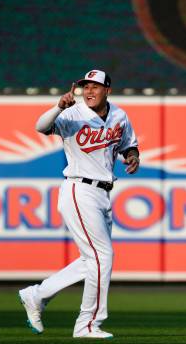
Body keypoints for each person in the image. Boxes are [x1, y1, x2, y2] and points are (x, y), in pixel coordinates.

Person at [18, 70, 140, 339]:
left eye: (95, 87)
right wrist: (58, 107)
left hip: (103, 193)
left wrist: (132, 157)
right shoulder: (72, 113)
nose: (89, 91)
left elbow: (128, 145)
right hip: (79, 188)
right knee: (103, 257)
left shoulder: (119, 115)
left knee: (92, 261)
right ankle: (87, 325)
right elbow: (41, 126)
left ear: (108, 90)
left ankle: (36, 295)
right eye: (86, 86)